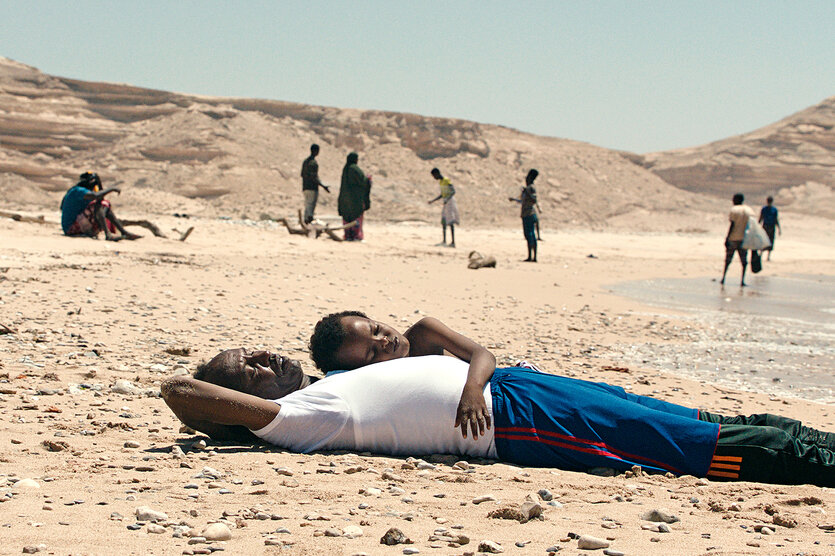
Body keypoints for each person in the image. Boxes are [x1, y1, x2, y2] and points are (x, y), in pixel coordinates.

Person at [161, 347, 835, 487]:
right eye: (244, 365)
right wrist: (239, 410)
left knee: (700, 420)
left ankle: (807, 438)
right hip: (514, 426)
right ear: (238, 406)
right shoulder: (289, 421)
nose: (261, 354)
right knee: (684, 445)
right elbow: (177, 390)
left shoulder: (327, 387)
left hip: (518, 394)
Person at [309, 311, 494, 437]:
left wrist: (473, 388)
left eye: (376, 329)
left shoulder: (425, 333)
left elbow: (483, 354)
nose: (384, 341)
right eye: (373, 353)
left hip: (495, 386)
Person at [60, 172, 140, 241]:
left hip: (74, 226)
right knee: (101, 204)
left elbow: (100, 198)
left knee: (103, 205)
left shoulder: (80, 191)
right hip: (71, 228)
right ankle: (109, 234)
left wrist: (99, 183)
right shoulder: (78, 190)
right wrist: (112, 189)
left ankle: (122, 232)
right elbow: (96, 196)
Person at [720, 192, 755, 286]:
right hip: (744, 239)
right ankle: (742, 281)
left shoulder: (734, 210)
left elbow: (732, 224)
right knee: (744, 261)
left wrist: (727, 237)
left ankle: (723, 278)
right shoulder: (749, 210)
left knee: (728, 260)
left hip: (733, 238)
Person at [337, 152, 371, 241]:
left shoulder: (346, 169)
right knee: (356, 216)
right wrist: (368, 179)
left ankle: (348, 235)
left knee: (347, 216)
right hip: (355, 200)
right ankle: (356, 235)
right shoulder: (355, 169)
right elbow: (363, 182)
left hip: (345, 199)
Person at [509, 169, 539, 262]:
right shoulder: (528, 189)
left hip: (529, 214)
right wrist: (514, 199)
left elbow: (534, 199)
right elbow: (523, 201)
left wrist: (527, 193)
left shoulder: (531, 188)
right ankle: (530, 256)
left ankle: (533, 257)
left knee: (530, 235)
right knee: (528, 235)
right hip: (526, 214)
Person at [428, 168, 459, 247]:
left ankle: (453, 242)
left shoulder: (446, 180)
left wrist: (447, 199)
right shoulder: (441, 182)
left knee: (450, 221)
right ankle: (444, 241)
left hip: (450, 201)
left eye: (434, 176)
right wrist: (433, 201)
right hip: (446, 201)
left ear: (437, 173)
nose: (434, 178)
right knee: (444, 221)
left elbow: (453, 191)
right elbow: (442, 194)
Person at [300, 144, 330, 224]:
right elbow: (314, 177)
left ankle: (306, 222)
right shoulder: (313, 163)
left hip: (305, 187)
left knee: (307, 206)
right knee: (311, 206)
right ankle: (309, 223)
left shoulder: (305, 162)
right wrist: (323, 186)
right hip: (312, 188)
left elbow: (302, 174)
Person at [759, 196, 781, 261]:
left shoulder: (774, 210)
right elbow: (761, 218)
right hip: (765, 226)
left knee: (770, 241)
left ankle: (768, 256)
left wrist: (779, 228)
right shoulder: (764, 209)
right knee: (764, 240)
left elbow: (776, 219)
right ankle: (761, 254)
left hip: (771, 227)